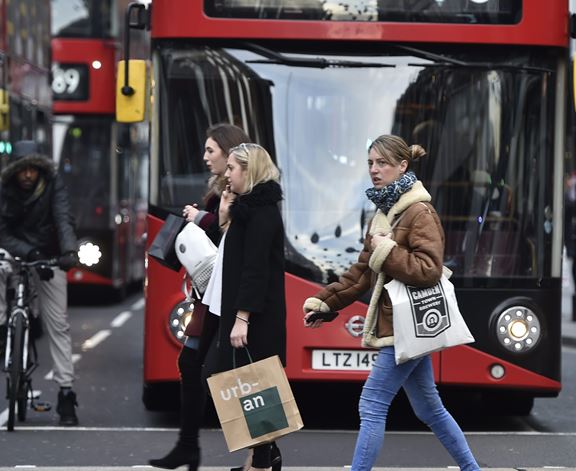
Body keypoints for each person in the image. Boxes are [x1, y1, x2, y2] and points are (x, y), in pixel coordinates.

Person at [303, 135, 480, 471]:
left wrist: (387, 251)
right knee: (429, 408)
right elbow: (360, 275)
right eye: (371, 162)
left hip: (405, 324)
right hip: (404, 325)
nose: (374, 169)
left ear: (402, 166)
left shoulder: (419, 212)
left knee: (371, 403)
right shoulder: (384, 214)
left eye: (382, 163)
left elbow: (428, 269)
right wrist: (325, 304)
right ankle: (473, 470)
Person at [150, 124, 251, 470]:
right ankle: (188, 447)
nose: (205, 157)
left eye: (211, 151)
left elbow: (238, 231)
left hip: (228, 297)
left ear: (228, 152)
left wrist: (201, 218)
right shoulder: (221, 187)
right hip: (211, 295)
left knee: (239, 372)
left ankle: (263, 454)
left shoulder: (241, 188)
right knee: (194, 364)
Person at [0, 140, 80, 426]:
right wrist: (29, 252)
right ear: (14, 170)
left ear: (40, 169)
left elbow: (62, 218)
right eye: (23, 170)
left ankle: (66, 392)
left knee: (58, 323)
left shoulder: (53, 184)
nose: (27, 176)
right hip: (14, 249)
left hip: (49, 253)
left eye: (33, 170)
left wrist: (68, 253)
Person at [201, 143, 286, 471]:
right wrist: (223, 218)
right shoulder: (245, 208)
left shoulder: (261, 213)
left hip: (255, 316)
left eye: (233, 168)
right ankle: (262, 457)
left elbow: (255, 270)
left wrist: (242, 319)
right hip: (242, 310)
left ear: (249, 172)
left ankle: (262, 460)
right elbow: (233, 257)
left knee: (254, 385)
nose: (227, 174)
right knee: (252, 386)